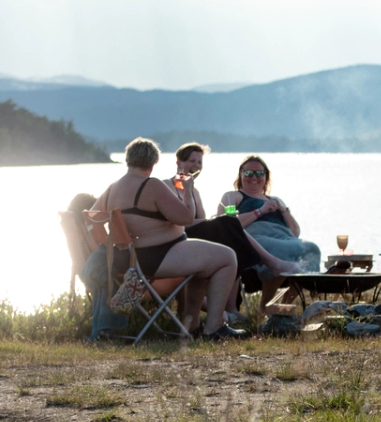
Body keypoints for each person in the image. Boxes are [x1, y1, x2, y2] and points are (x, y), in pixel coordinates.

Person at [87, 137, 241, 340]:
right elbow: (186, 217)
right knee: (227, 257)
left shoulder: (112, 189)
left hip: (131, 259)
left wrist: (119, 242)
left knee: (205, 264)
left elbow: (91, 217)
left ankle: (192, 324)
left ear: (128, 160)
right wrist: (187, 190)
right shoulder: (152, 186)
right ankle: (214, 328)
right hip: (158, 257)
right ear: (153, 163)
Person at [170, 143, 300, 307]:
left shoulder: (194, 192)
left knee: (231, 239)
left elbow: (201, 220)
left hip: (196, 240)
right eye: (191, 161)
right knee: (229, 225)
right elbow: (178, 223)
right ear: (178, 162)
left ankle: (231, 308)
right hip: (179, 241)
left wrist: (283, 210)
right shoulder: (170, 187)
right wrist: (218, 220)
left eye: (199, 162)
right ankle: (271, 264)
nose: (196, 166)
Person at [218, 156, 322, 275]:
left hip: (284, 237)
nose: (254, 177)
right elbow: (225, 225)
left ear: (265, 176)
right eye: (248, 173)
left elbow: (295, 233)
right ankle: (275, 285)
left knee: (312, 248)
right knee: (278, 248)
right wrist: (260, 211)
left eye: (259, 173)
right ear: (240, 175)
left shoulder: (275, 200)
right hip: (257, 238)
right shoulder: (233, 196)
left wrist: (284, 211)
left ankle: (295, 291)